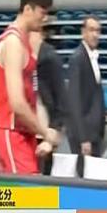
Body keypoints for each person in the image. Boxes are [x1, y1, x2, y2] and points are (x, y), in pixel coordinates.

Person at [0, 0, 59, 175]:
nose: (45, 19)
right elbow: (18, 104)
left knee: (31, 192)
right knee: (26, 193)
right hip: (12, 134)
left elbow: (31, 94)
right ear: (28, 9)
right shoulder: (13, 42)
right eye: (42, 13)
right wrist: (45, 132)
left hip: (24, 134)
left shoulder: (25, 41)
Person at [29, 26, 67, 175]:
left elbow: (61, 102)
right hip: (23, 134)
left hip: (42, 137)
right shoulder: (19, 57)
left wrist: (50, 140)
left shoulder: (51, 58)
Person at [66, 16, 106, 158]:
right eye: (91, 30)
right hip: (83, 136)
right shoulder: (77, 59)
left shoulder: (92, 57)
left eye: (98, 31)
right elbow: (74, 101)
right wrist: (83, 138)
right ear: (83, 32)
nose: (95, 34)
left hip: (94, 134)